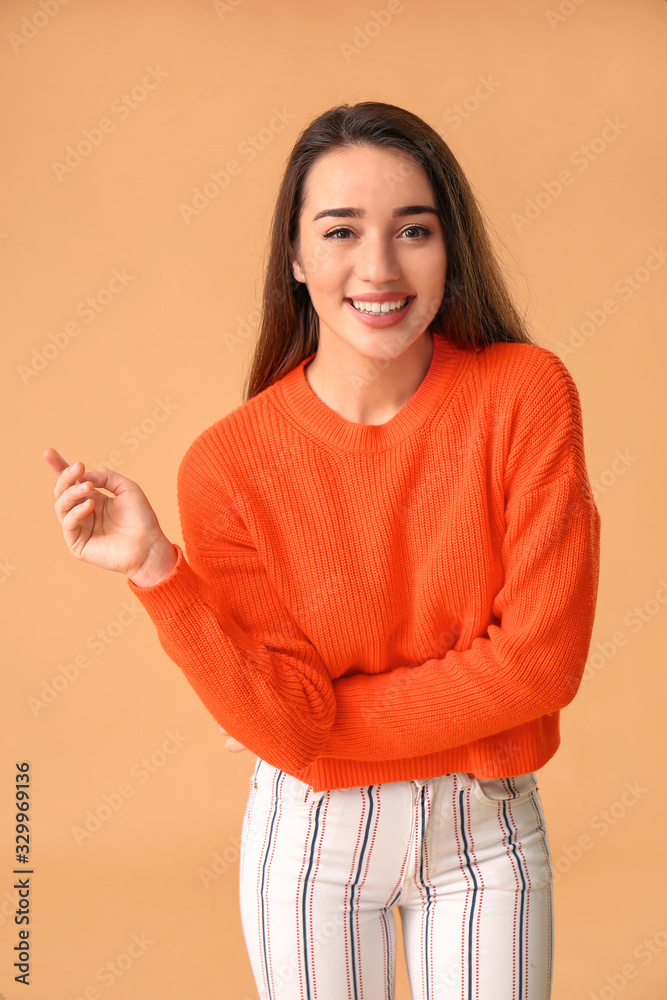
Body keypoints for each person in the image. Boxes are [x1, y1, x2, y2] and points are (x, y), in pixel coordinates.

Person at [44, 101, 601, 1000]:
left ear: (447, 246)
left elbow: (538, 665)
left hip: (486, 831)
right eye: (340, 231)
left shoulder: (524, 396)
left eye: (411, 229)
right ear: (296, 260)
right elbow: (280, 719)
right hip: (311, 846)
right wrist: (158, 571)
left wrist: (313, 731)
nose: (378, 268)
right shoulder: (226, 467)